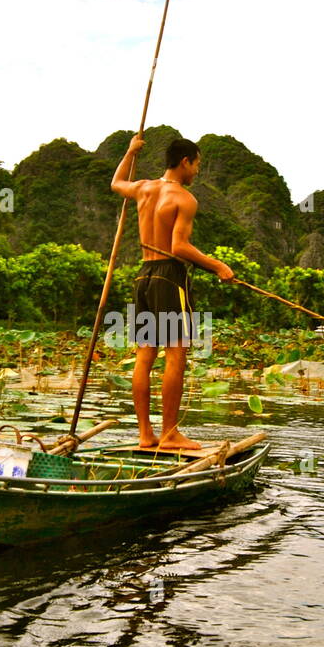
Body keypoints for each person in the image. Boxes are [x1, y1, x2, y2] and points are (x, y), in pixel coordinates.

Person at [110, 134, 234, 451]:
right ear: (185, 162)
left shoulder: (143, 188)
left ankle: (145, 434)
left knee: (144, 355)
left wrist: (129, 152)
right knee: (176, 353)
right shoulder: (184, 199)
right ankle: (169, 434)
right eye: (197, 165)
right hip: (169, 276)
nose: (197, 172)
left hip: (143, 276)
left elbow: (116, 183)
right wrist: (217, 266)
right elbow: (179, 246)